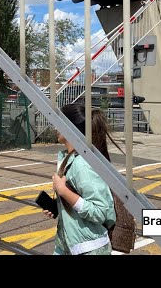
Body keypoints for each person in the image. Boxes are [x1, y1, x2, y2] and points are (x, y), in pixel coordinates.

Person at [43, 104, 117, 255]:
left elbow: (100, 211)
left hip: (88, 248)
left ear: (69, 128)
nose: (54, 126)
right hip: (67, 244)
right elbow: (79, 202)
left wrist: (63, 191)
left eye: (59, 122)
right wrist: (58, 208)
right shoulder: (69, 158)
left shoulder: (83, 164)